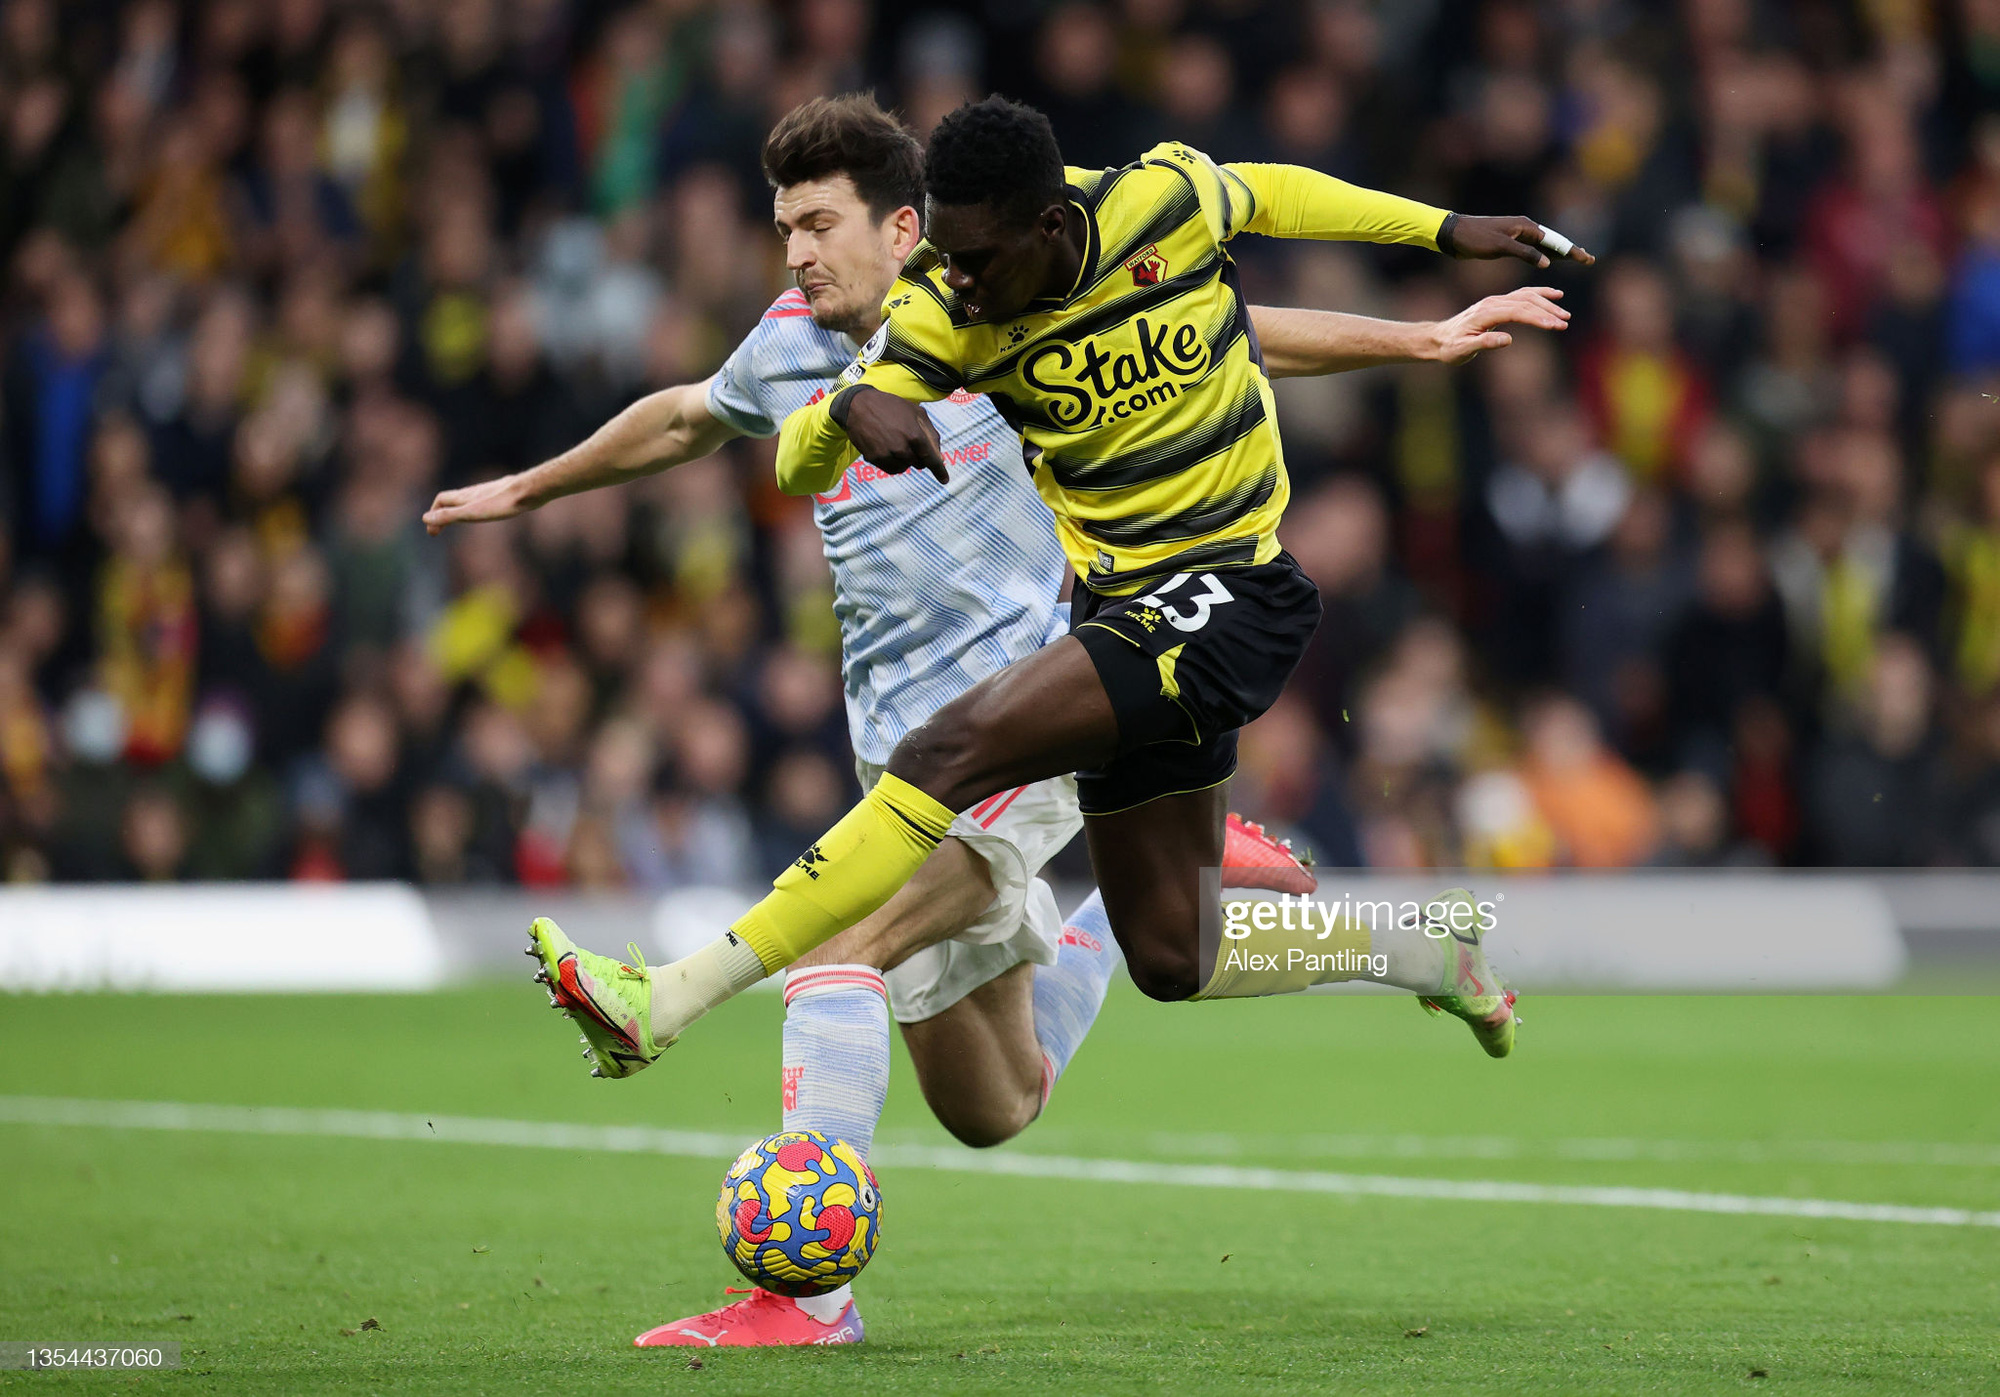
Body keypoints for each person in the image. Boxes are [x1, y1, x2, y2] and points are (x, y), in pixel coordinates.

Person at [426, 94, 1572, 1346]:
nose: (797, 253)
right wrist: (530, 488)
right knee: (1007, 1092)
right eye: (783, 230)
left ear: (901, 223)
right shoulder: (817, 337)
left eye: (817, 225)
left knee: (836, 952)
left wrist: (1418, 340)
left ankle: (796, 1285)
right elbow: (696, 416)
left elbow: (1231, 327)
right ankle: (1397, 941)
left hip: (1040, 696)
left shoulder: (1003, 294)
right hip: (906, 741)